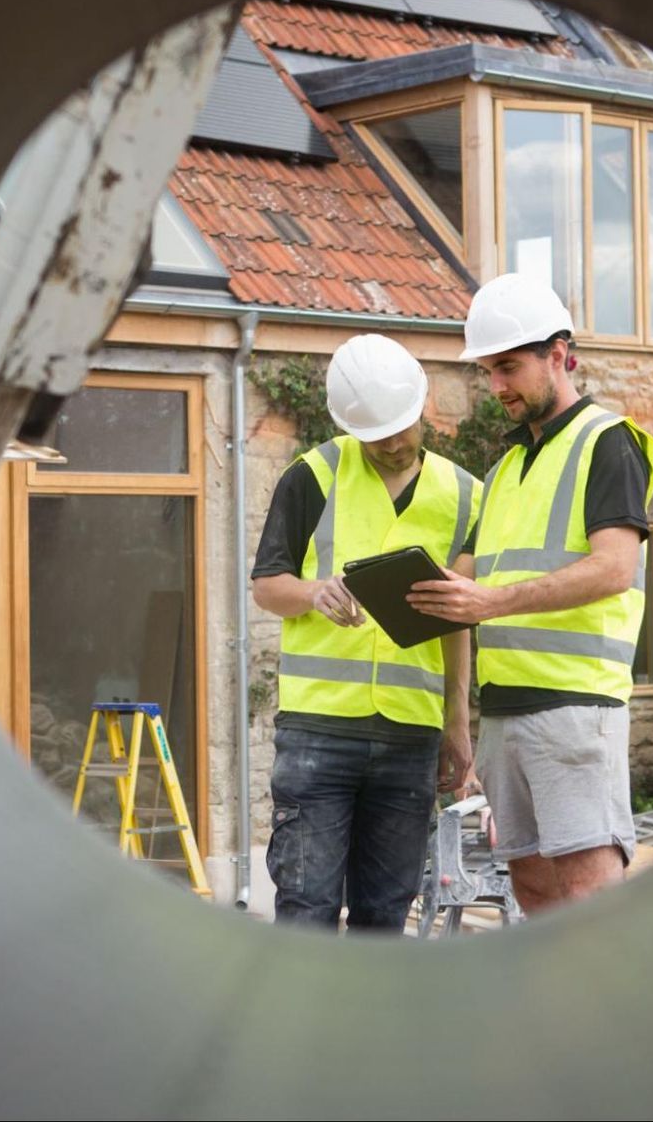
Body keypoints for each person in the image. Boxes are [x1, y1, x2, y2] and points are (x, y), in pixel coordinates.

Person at [407, 275, 653, 914]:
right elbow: (460, 580)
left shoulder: (609, 442)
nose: (496, 387)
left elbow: (612, 569)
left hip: (575, 709)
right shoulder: (501, 471)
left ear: (558, 353)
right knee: (534, 891)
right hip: (507, 714)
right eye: (488, 371)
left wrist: (488, 603)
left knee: (588, 896)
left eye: (508, 368)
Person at [250, 333, 480, 931]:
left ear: (422, 406)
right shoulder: (313, 476)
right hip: (318, 733)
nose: (396, 444)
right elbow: (266, 584)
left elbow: (459, 619)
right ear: (351, 428)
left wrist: (456, 723)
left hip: (411, 734)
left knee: (385, 914)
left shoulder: (463, 495)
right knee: (307, 910)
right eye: (378, 437)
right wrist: (313, 592)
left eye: (404, 428)